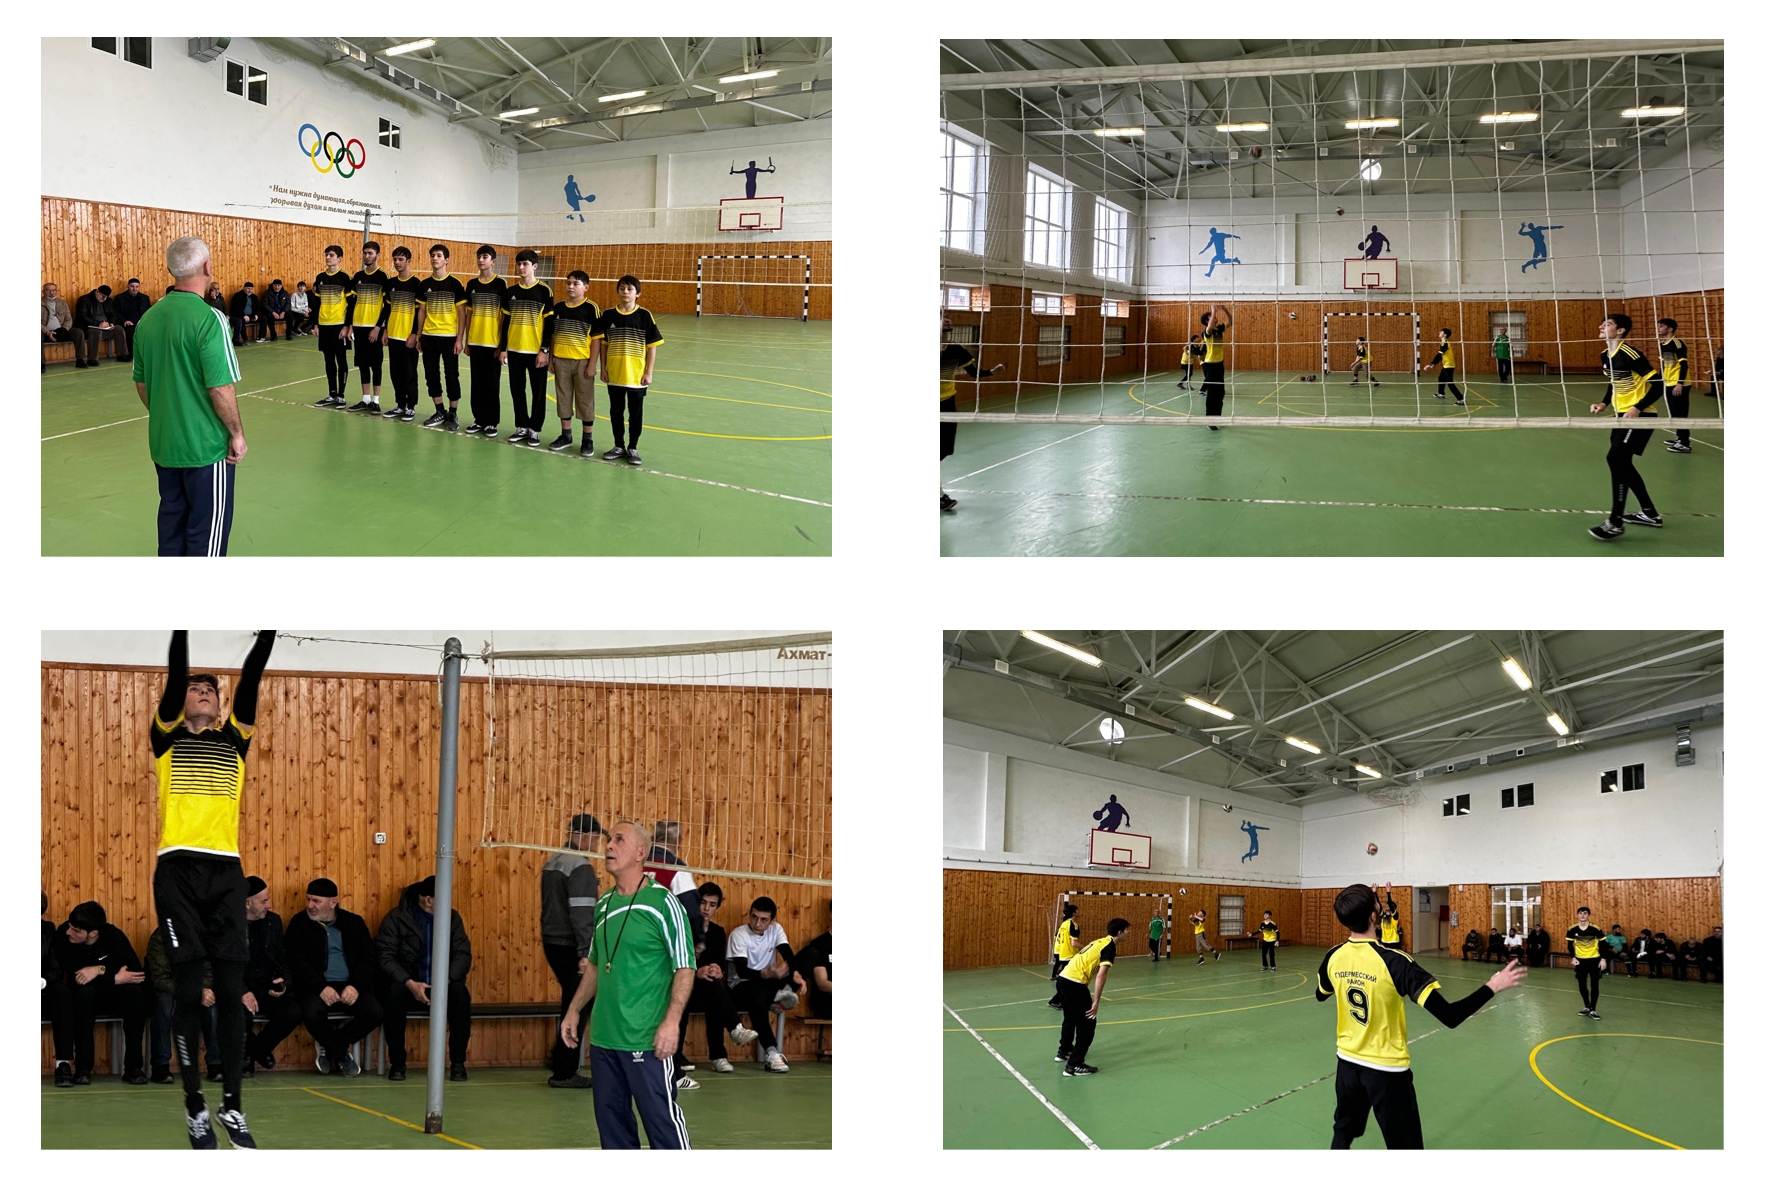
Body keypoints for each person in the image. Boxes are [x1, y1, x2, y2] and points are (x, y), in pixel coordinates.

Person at [150, 629, 274, 1146]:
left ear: (221, 707)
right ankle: (195, 1105)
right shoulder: (166, 738)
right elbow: (175, 673)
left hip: (226, 871)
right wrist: (180, 623)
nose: (203, 693)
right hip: (177, 869)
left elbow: (252, 680)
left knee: (229, 993)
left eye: (210, 691)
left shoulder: (235, 741)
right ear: (180, 702)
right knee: (186, 991)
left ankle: (232, 1106)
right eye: (194, 690)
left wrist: (268, 631)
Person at [1317, 883, 1526, 1149]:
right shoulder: (1396, 962)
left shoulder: (1333, 956)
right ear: (1373, 915)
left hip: (1347, 1065)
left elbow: (1321, 994)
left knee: (1343, 1132)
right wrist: (1492, 986)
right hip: (1387, 1072)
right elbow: (1450, 1016)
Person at [559, 820, 695, 1150]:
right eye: (609, 839)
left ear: (640, 853)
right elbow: (595, 964)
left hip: (645, 1039)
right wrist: (574, 1010)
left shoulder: (663, 903)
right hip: (605, 1040)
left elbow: (685, 966)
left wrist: (672, 1023)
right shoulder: (604, 903)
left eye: (619, 840)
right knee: (613, 1133)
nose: (609, 845)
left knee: (662, 1126)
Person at [133, 238, 247, 557]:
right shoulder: (211, 319)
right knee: (206, 534)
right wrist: (236, 433)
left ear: (171, 269)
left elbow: (141, 383)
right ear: (207, 267)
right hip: (205, 449)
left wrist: (169, 415)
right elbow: (220, 387)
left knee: (172, 527)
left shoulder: (147, 319)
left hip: (164, 443)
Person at [376, 875, 473, 1082]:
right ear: (429, 900)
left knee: (460, 994)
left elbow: (463, 954)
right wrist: (410, 983)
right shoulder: (396, 918)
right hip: (408, 985)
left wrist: (445, 982)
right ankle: (397, 1064)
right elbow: (385, 956)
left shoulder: (452, 919)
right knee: (393, 995)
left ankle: (458, 1063)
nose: (449, 901)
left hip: (444, 985)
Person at [284, 878, 383, 1078]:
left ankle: (330, 1045)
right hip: (315, 987)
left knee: (375, 1011)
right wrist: (321, 987)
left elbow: (368, 958)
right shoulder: (299, 923)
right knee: (311, 1012)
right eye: (308, 899)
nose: (310, 905)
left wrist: (355, 986)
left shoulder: (353, 923)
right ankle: (341, 1056)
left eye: (316, 901)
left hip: (350, 985)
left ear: (333, 902)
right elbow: (296, 962)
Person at [1587, 312, 1664, 541]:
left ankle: (1616, 522)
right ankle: (1649, 513)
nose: (1601, 326)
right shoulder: (1605, 354)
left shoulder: (1630, 354)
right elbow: (1614, 382)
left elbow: (1658, 385)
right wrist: (1604, 403)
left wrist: (1638, 407)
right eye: (1602, 323)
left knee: (1616, 459)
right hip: (1621, 415)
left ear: (1620, 331)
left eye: (1607, 324)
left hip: (1640, 416)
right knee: (1622, 463)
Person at [56, 901, 150, 1086]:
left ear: (93, 933)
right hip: (83, 997)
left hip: (113, 995)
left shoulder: (113, 936)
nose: (69, 932)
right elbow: (77, 977)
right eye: (70, 926)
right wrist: (114, 977)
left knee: (134, 993)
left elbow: (134, 972)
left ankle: (133, 1068)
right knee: (85, 994)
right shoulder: (63, 936)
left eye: (76, 930)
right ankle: (83, 1069)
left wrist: (98, 970)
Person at [673, 882, 760, 1079]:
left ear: (717, 908)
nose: (706, 908)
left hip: (705, 989)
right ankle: (732, 1032)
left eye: (712, 905)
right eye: (703, 903)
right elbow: (673, 963)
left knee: (712, 987)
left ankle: (719, 1055)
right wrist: (696, 972)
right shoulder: (682, 928)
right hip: (681, 985)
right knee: (701, 991)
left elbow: (719, 963)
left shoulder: (718, 932)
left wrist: (716, 970)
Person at [542, 813, 602, 1089]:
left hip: (552, 941)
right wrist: (586, 952)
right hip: (571, 944)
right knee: (579, 1003)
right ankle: (565, 1072)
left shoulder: (553, 860)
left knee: (571, 999)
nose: (598, 844)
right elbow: (582, 913)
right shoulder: (581, 866)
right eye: (596, 838)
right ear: (585, 836)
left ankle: (559, 1057)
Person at [725, 896, 806, 1073]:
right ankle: (772, 1052)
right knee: (758, 995)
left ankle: (778, 996)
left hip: (766, 983)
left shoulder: (776, 929)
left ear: (772, 921)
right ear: (749, 914)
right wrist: (766, 973)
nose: (757, 923)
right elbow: (742, 971)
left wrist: (796, 974)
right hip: (741, 986)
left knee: (799, 964)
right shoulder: (738, 935)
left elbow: (788, 955)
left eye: (763, 920)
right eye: (754, 917)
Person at [594, 275, 663, 466]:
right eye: (622, 288)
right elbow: (604, 345)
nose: (625, 292)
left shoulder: (644, 316)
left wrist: (648, 372)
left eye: (630, 289)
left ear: (637, 294)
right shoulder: (608, 315)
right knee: (616, 413)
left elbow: (652, 346)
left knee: (635, 414)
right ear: (617, 291)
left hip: (636, 377)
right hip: (615, 375)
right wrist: (603, 368)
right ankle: (618, 446)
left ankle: (633, 447)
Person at [939, 317, 1005, 511]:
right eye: (942, 317)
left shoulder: (956, 349)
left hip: (947, 403)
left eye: (948, 317)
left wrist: (992, 372)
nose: (947, 320)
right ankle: (940, 496)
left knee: (943, 449)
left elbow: (973, 372)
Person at [240, 876, 301, 1076]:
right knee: (239, 1013)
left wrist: (283, 982)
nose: (269, 905)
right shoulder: (228, 925)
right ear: (247, 903)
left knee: (292, 1012)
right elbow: (223, 966)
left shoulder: (273, 921)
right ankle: (245, 1060)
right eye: (264, 901)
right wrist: (242, 991)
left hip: (268, 987)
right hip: (242, 988)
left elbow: (282, 957)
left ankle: (256, 1050)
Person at [1055, 917, 1129, 1077]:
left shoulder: (1100, 941)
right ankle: (1074, 1065)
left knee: (1070, 1018)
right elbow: (1101, 975)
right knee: (1088, 1024)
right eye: (1127, 930)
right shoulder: (1110, 946)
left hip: (1063, 980)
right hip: (1074, 984)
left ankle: (1064, 1051)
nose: (1128, 933)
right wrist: (1096, 1001)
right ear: (1120, 932)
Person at [146, 925, 220, 1084]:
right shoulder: (160, 937)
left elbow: (211, 970)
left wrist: (203, 990)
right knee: (163, 1005)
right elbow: (160, 979)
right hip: (169, 990)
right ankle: (160, 1066)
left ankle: (215, 1065)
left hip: (198, 989)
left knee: (211, 1005)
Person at [499, 249, 553, 446]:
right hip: (514, 350)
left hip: (535, 351)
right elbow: (505, 322)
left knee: (538, 392)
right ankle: (521, 426)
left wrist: (544, 350)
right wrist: (503, 349)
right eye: (519, 264)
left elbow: (549, 324)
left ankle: (534, 429)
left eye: (525, 264)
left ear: (534, 266)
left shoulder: (544, 291)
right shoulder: (511, 291)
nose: (521, 267)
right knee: (517, 390)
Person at [547, 270, 601, 455]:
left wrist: (592, 364)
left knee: (585, 400)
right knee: (563, 398)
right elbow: (553, 335)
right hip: (560, 360)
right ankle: (566, 436)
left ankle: (587, 439)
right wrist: (551, 359)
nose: (571, 286)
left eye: (575, 283)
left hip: (582, 362)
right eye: (568, 283)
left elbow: (596, 339)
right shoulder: (558, 308)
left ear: (585, 288)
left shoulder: (591, 308)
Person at [416, 244, 467, 430]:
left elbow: (462, 313)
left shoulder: (455, 284)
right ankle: (440, 411)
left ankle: (453, 413)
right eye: (432, 255)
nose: (435, 258)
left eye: (438, 255)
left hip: (449, 337)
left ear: (446, 260)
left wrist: (459, 339)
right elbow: (422, 311)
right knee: (431, 376)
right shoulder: (424, 285)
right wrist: (419, 336)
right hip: (429, 337)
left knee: (452, 376)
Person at [462, 245, 508, 436]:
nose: (481, 260)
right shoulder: (472, 284)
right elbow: (469, 314)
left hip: (492, 343)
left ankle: (491, 422)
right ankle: (479, 420)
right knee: (477, 383)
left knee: (491, 384)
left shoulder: (500, 284)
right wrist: (467, 341)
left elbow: (504, 317)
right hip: (475, 342)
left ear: (493, 261)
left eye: (485, 257)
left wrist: (501, 345)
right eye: (479, 257)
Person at [344, 241, 391, 414]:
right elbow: (352, 304)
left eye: (370, 253)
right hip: (359, 327)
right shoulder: (357, 276)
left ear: (378, 255)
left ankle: (376, 401)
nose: (367, 256)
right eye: (365, 253)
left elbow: (387, 306)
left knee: (376, 365)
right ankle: (365, 399)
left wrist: (378, 327)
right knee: (362, 364)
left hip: (374, 328)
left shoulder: (383, 277)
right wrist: (350, 326)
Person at [379, 247, 424, 422]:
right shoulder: (391, 283)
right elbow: (388, 309)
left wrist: (414, 334)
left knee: (409, 373)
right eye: (395, 259)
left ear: (408, 261)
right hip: (393, 335)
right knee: (395, 373)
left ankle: (411, 407)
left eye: (401, 259)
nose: (397, 262)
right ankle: (400, 405)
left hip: (408, 337)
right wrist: (385, 330)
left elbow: (420, 312)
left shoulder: (417, 284)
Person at [309, 244, 354, 408]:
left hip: (339, 325)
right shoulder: (320, 277)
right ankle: (332, 394)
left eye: (331, 255)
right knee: (328, 360)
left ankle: (341, 396)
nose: (328, 257)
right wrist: (315, 324)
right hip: (324, 326)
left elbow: (351, 304)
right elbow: (316, 303)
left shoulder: (345, 278)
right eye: (326, 255)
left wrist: (347, 326)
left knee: (341, 360)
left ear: (339, 258)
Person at [43, 893, 77, 1087]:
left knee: (62, 992)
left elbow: (56, 968)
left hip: (41, 988)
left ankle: (63, 1064)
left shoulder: (48, 930)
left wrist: (43, 980)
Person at [1657, 318, 1692, 453]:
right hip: (1668, 382)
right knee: (1674, 412)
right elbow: (1663, 365)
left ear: (1670, 329)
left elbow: (1684, 364)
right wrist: (1660, 380)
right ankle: (1679, 437)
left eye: (1661, 326)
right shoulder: (1662, 343)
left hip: (1678, 383)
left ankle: (1684, 443)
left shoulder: (1677, 343)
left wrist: (1680, 383)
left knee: (1680, 413)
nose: (1658, 328)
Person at [1566, 906, 1606, 1019]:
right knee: (1582, 985)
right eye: (1580, 913)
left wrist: (1603, 959)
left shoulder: (1596, 929)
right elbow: (1570, 945)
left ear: (1588, 915)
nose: (1582, 915)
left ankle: (1593, 1009)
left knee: (1594, 985)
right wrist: (1573, 957)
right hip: (1580, 961)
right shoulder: (1572, 929)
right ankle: (1587, 1006)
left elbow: (1603, 944)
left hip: (1594, 960)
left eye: (1585, 913)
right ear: (1577, 915)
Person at [75, 284, 128, 366]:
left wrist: (112, 323)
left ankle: (122, 355)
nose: (104, 299)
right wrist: (98, 324)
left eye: (106, 297)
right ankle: (92, 359)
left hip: (105, 326)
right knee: (96, 332)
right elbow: (82, 316)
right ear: (97, 292)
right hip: (88, 326)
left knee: (119, 329)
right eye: (103, 296)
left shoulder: (108, 301)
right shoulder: (84, 300)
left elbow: (113, 314)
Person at [1199, 304, 1231, 427]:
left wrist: (1225, 309)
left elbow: (1230, 321)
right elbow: (1210, 326)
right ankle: (1209, 420)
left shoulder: (1219, 329)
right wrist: (1213, 310)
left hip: (1219, 364)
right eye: (1211, 316)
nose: (1214, 316)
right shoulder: (1207, 332)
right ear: (1207, 321)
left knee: (1220, 393)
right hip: (1210, 365)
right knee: (1212, 394)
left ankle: (1217, 418)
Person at [1423, 328, 1465, 406]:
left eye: (1441, 332)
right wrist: (1433, 364)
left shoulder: (1445, 343)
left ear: (1445, 335)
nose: (1439, 332)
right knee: (1441, 378)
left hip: (1449, 365)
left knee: (1450, 383)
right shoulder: (1443, 342)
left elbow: (1439, 355)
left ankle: (1461, 399)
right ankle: (1441, 394)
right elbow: (1441, 355)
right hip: (1446, 365)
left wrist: (1431, 364)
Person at [1050, 902, 1080, 1007]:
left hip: (1063, 954)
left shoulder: (1063, 924)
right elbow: (1074, 943)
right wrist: (1086, 948)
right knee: (1070, 980)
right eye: (1077, 910)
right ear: (1074, 912)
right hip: (1070, 955)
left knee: (1068, 979)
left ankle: (1058, 1000)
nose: (1078, 912)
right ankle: (1056, 1000)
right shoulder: (1073, 925)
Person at [114, 277, 153, 357]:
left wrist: (146, 321)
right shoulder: (120, 298)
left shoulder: (145, 298)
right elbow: (116, 312)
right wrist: (124, 320)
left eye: (137, 287)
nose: (134, 289)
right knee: (130, 329)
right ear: (128, 286)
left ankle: (147, 353)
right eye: (132, 286)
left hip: (141, 322)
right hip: (127, 323)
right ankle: (131, 354)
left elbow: (149, 311)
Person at [43, 282, 76, 371]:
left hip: (61, 330)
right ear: (43, 291)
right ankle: (41, 363)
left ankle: (80, 359)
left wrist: (64, 329)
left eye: (54, 290)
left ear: (57, 291)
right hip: (44, 331)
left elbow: (69, 319)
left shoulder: (62, 303)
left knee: (78, 332)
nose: (51, 293)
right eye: (48, 290)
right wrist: (47, 332)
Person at [227, 283, 263, 347]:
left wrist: (256, 314)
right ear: (244, 288)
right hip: (240, 315)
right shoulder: (237, 296)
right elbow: (235, 307)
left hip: (251, 315)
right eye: (248, 288)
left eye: (251, 289)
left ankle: (261, 337)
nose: (249, 290)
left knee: (264, 318)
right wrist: (244, 315)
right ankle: (245, 339)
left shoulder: (254, 297)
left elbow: (258, 307)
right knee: (241, 320)